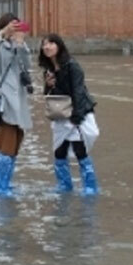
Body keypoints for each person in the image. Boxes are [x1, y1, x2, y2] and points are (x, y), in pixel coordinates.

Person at [39, 34, 100, 195]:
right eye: (44, 44)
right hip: (60, 116)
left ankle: (90, 188)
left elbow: (79, 92)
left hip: (76, 115)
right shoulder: (49, 70)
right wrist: (48, 85)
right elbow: (49, 95)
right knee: (59, 152)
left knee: (80, 151)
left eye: (51, 43)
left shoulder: (73, 66)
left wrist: (77, 118)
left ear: (59, 46)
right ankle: (64, 186)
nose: (47, 47)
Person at [0, 14, 32, 198]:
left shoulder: (20, 46)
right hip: (4, 104)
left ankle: (5, 184)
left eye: (17, 27)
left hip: (19, 104)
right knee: (5, 145)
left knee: (15, 145)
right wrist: (4, 33)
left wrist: (20, 45)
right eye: (13, 27)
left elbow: (26, 67)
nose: (16, 31)